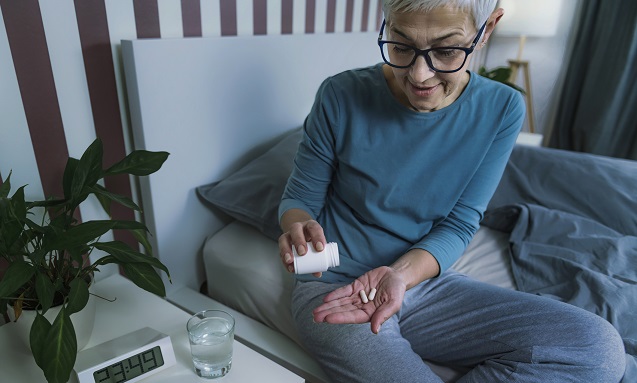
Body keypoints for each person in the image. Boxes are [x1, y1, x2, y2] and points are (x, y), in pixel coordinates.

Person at [277, 1, 626, 382]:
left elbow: (461, 223)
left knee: (599, 348)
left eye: (445, 51)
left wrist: (400, 276)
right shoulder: (340, 95)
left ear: (487, 29)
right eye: (402, 45)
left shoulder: (502, 107)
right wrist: (298, 226)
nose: (419, 74)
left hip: (424, 283)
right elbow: (300, 200)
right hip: (337, 289)